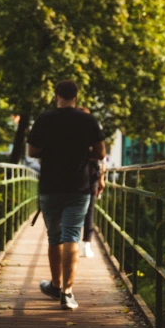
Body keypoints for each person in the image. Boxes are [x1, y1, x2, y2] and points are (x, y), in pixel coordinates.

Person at [27, 80, 106, 310]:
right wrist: (83, 152)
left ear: (56, 96)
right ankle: (68, 293)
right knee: (72, 235)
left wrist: (52, 151)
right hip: (78, 187)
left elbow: (32, 151)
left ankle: (55, 285)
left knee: (54, 237)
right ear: (76, 97)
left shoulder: (44, 118)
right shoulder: (87, 120)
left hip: (50, 186)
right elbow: (101, 152)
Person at [77, 107, 106, 258]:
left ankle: (86, 243)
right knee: (78, 208)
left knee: (89, 209)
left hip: (92, 174)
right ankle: (75, 242)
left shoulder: (94, 128)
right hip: (77, 174)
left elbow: (103, 157)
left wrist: (102, 178)